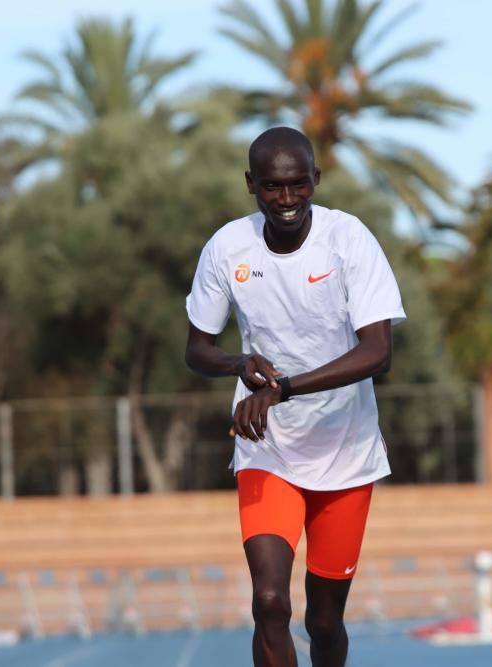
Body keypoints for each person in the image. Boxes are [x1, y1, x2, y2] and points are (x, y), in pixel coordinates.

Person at [185, 126, 406, 667]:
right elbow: (198, 349)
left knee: (324, 621)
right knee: (269, 602)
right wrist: (240, 364)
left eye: (298, 185)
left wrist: (283, 389)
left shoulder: (349, 240)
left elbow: (377, 352)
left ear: (316, 179)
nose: (286, 199)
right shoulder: (227, 248)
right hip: (267, 446)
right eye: (272, 187)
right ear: (250, 185)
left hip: (345, 451)